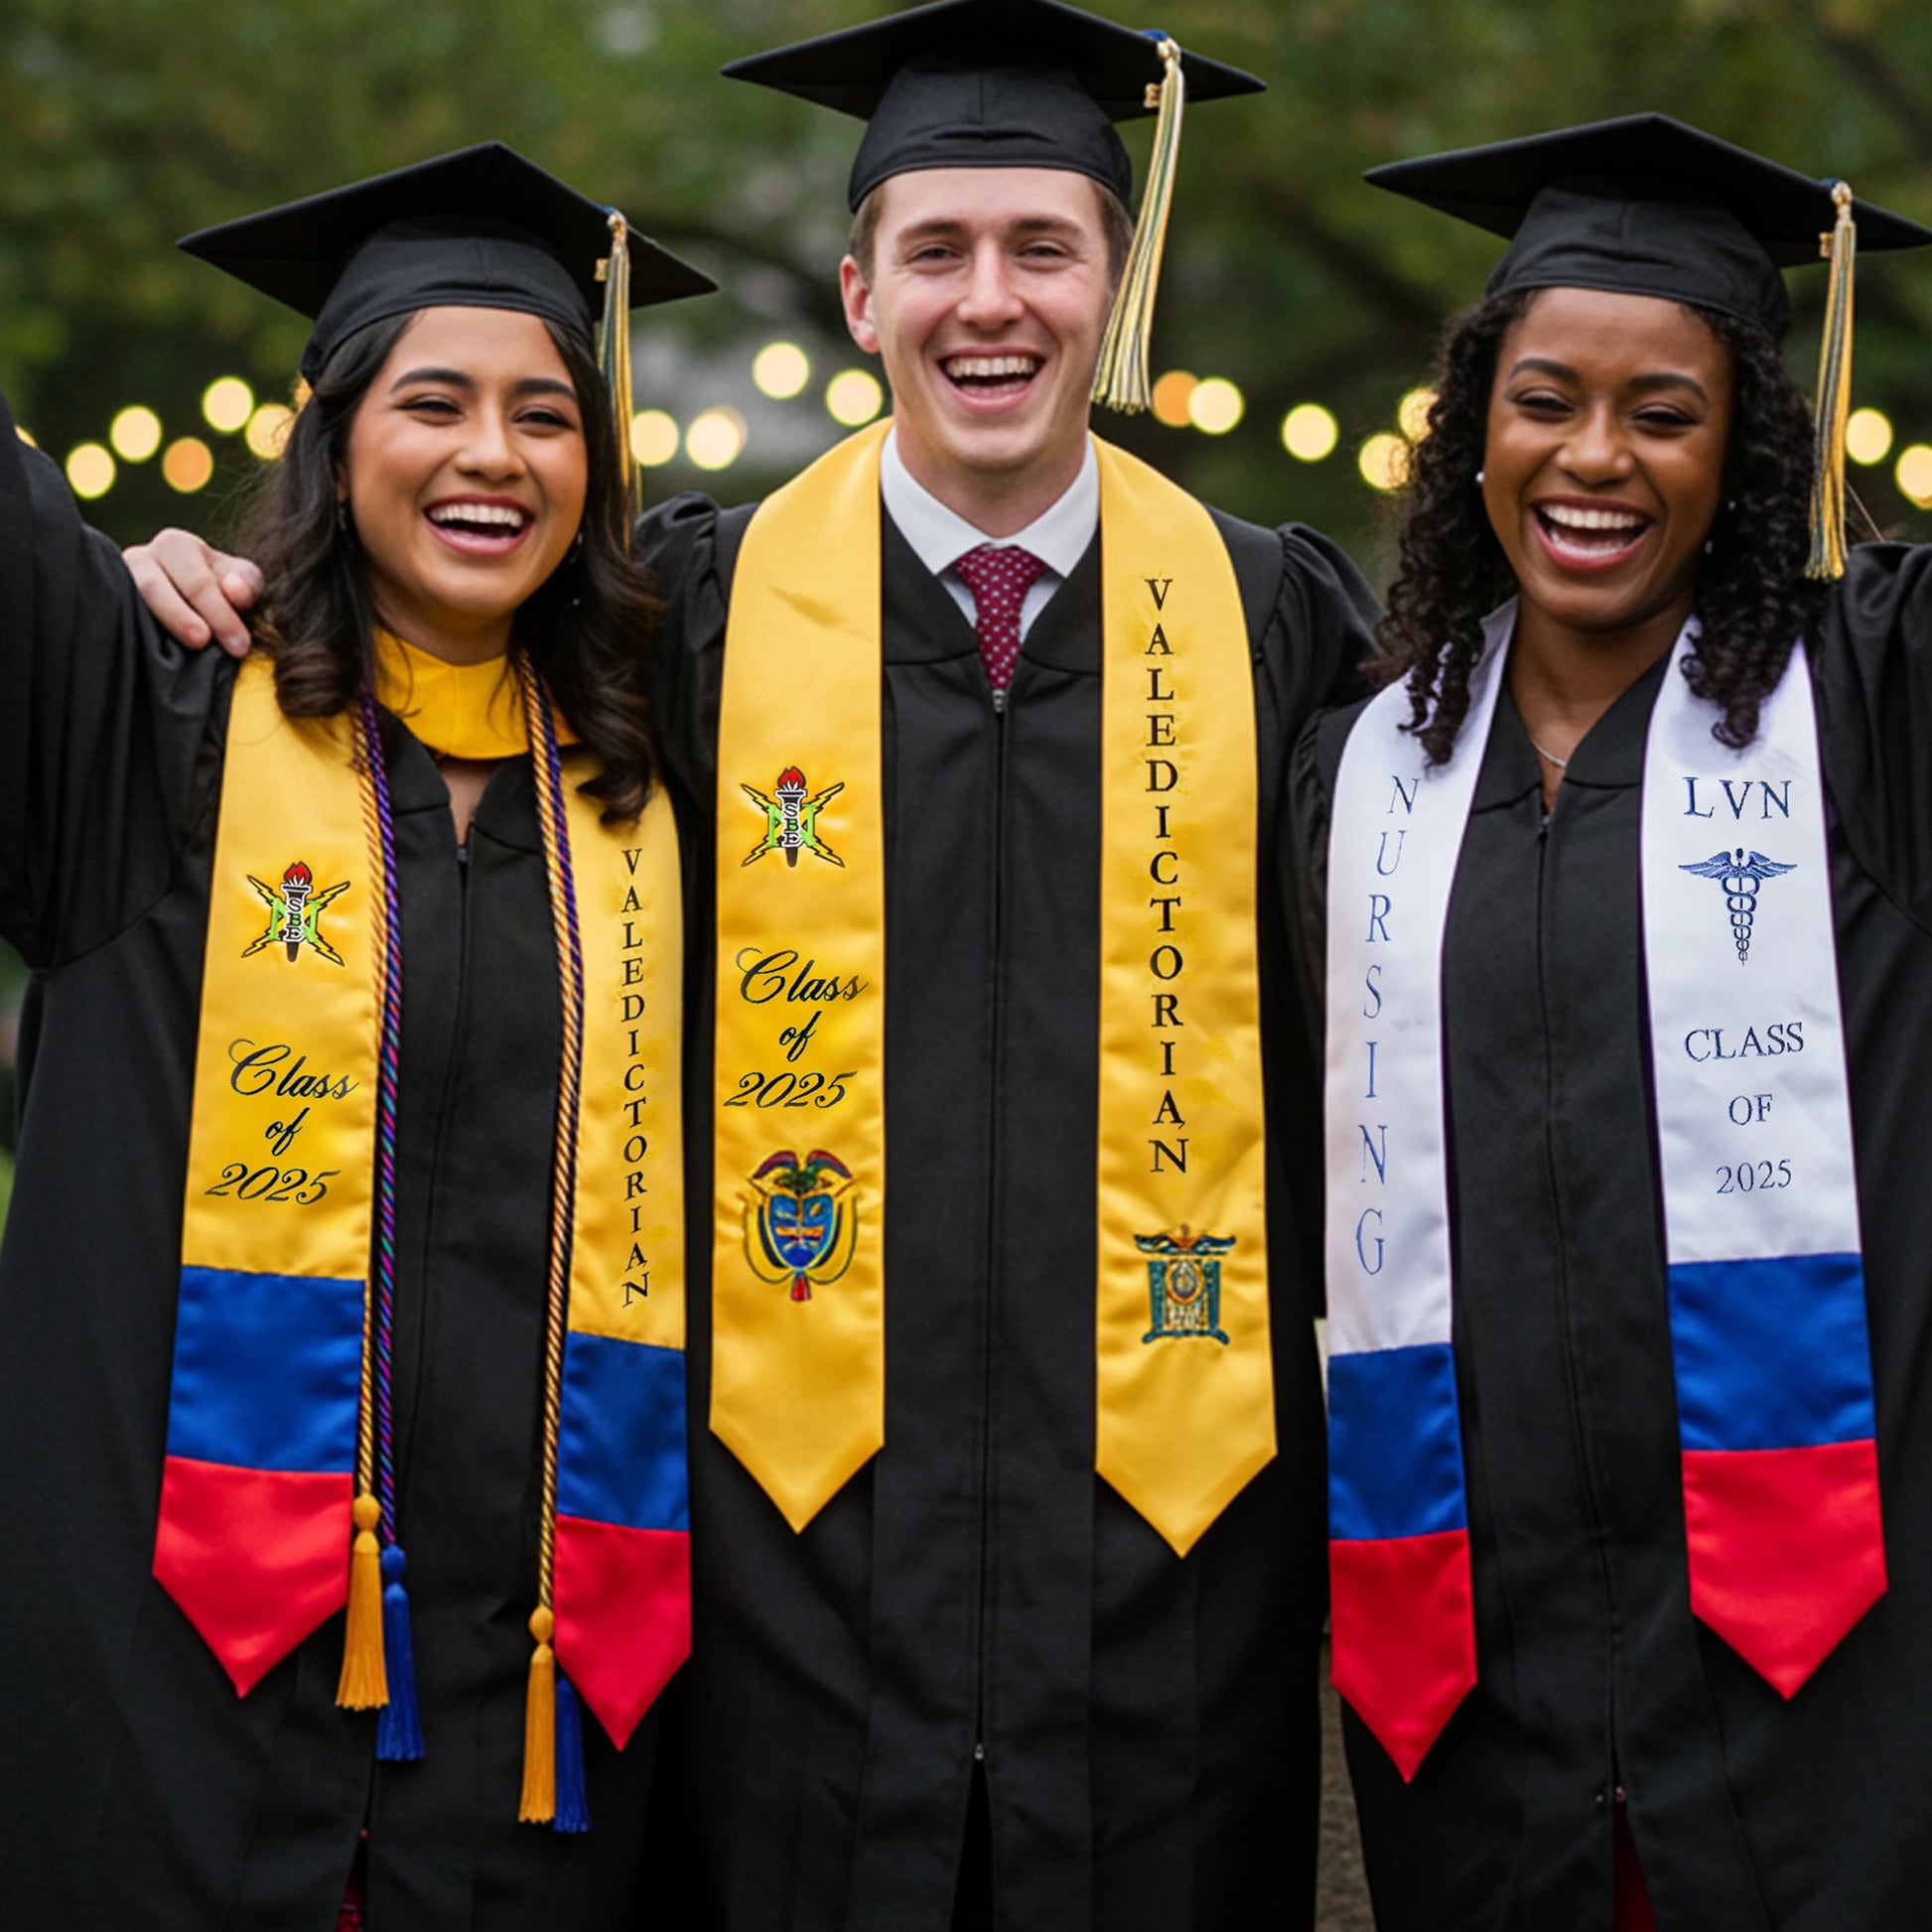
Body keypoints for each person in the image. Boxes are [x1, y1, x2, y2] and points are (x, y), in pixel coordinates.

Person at [127, 4, 1380, 1925]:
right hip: (784, 1601)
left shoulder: (1277, 620)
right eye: (936, 250)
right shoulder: (689, 616)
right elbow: (431, 700)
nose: (990, 301)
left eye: (1042, 248)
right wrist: (220, 578)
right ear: (861, 290)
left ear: (1114, 286)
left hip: (1169, 1598)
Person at [0, 145, 714, 1929]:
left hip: (538, 1717)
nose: (493, 455)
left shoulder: (654, 787)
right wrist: (125, 561)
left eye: (545, 415)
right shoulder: (151, 714)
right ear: (331, 436)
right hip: (168, 1707)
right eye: (433, 402)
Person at [1294, 115, 1932, 1931]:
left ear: (1743, 454)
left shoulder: (1869, 703)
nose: (1592, 457)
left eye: (1663, 413)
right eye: (1543, 401)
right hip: (1478, 1681)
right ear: (1470, 434)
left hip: (1822, 1686)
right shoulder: (1357, 773)